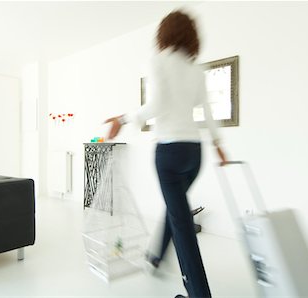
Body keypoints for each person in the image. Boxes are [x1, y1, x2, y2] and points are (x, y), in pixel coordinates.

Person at [105, 10, 227, 298]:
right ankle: (157, 256)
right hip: (194, 154)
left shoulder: (158, 61)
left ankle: (199, 294)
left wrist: (122, 120)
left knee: (182, 225)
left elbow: (156, 104)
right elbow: (208, 111)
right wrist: (219, 144)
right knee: (178, 209)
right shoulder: (195, 69)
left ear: (164, 33)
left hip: (170, 152)